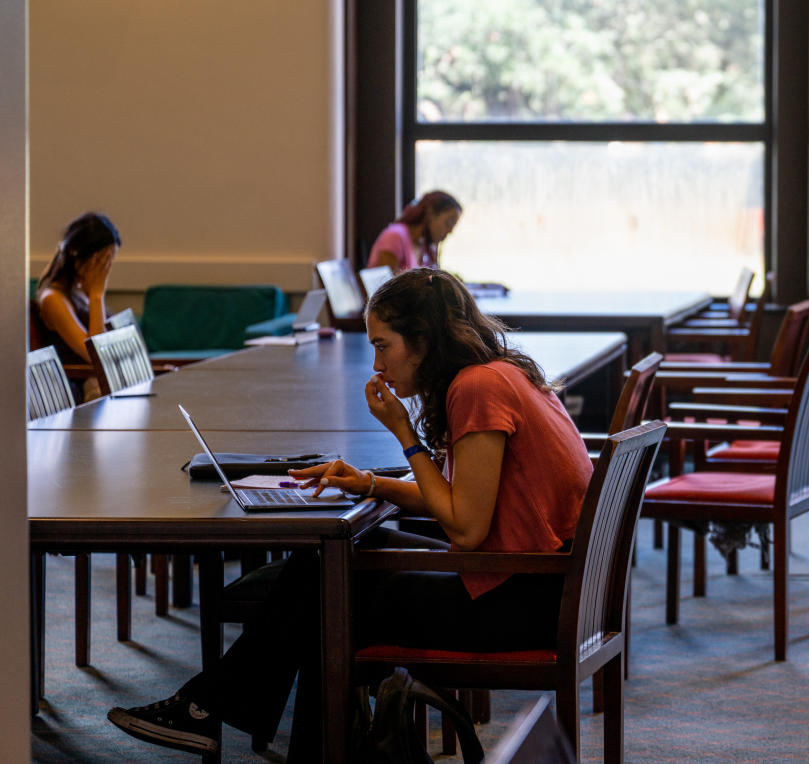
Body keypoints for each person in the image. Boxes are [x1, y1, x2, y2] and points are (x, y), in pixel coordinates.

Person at [107, 267, 593, 759]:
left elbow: (466, 528)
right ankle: (213, 713)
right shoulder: (499, 372)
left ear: (422, 340)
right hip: (539, 582)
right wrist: (367, 483)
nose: (376, 363)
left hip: (520, 601)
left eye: (383, 346)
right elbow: (463, 501)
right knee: (329, 566)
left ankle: (206, 710)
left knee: (328, 589)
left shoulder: (477, 388)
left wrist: (406, 436)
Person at [34, 211, 122, 401]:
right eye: (101, 261)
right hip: (85, 393)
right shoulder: (53, 299)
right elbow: (96, 355)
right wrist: (97, 295)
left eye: (110, 260)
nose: (106, 268)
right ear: (78, 255)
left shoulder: (80, 291)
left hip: (105, 384)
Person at [366, 190, 462, 273]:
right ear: (430, 214)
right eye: (448, 223)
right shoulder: (395, 236)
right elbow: (384, 289)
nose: (450, 231)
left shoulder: (424, 245)